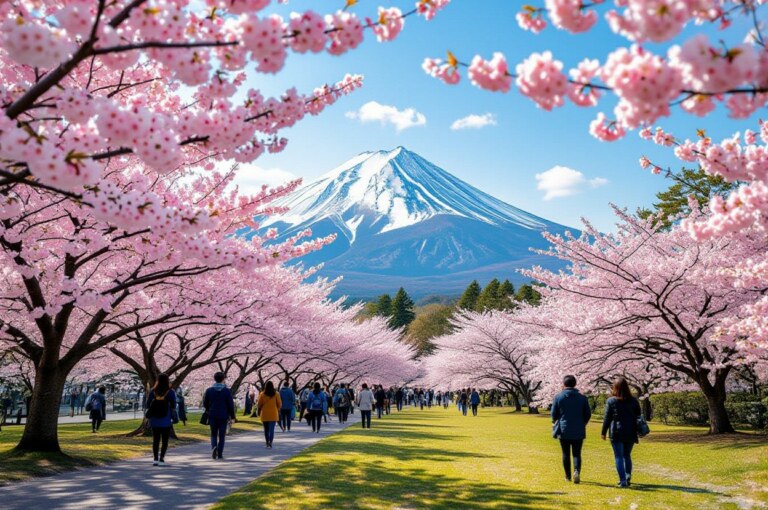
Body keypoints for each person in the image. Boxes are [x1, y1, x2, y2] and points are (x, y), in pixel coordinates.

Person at [601, 377, 642, 488]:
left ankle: (623, 480)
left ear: (615, 387)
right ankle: (628, 476)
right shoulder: (634, 400)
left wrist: (603, 432)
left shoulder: (611, 401)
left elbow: (607, 418)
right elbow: (639, 415)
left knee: (618, 456)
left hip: (616, 431)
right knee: (627, 455)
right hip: (631, 431)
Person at [551, 375, 592, 484]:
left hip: (564, 429)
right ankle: (576, 471)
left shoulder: (558, 397)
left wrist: (556, 421)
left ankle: (568, 476)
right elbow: (587, 414)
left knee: (565, 453)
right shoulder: (582, 398)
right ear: (575, 384)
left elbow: (553, 414)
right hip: (578, 428)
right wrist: (583, 423)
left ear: (564, 384)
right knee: (577, 453)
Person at [202, 372, 236, 460]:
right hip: (223, 415)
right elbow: (230, 405)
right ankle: (220, 453)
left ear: (214, 379)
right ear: (223, 379)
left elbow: (205, 403)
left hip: (212, 414)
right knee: (222, 435)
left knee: (213, 434)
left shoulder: (209, 390)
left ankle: (214, 447)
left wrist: (209, 408)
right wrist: (232, 416)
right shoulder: (226, 391)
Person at [146, 374, 177, 466]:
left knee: (156, 440)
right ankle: (161, 459)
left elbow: (148, 405)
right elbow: (174, 405)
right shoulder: (170, 392)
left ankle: (155, 459)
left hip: (154, 419)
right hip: (166, 419)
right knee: (165, 440)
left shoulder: (153, 391)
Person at [257, 381, 282, 448]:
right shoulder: (276, 394)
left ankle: (267, 442)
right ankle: (271, 442)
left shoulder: (262, 394)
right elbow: (279, 404)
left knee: (266, 429)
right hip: (273, 413)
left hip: (265, 414)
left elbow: (259, 404)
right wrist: (277, 409)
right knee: (271, 430)